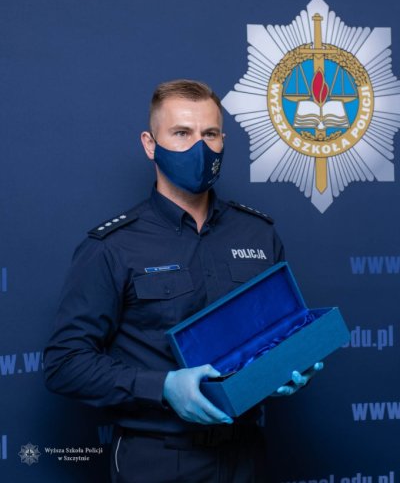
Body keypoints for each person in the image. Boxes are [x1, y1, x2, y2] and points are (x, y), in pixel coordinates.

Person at [44, 79, 321, 483]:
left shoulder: (258, 233)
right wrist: (163, 386)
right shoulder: (112, 246)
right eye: (181, 133)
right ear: (150, 144)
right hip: (157, 458)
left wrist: (290, 365)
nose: (199, 148)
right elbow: (65, 363)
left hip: (246, 456)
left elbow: (280, 332)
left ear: (223, 141)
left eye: (209, 134)